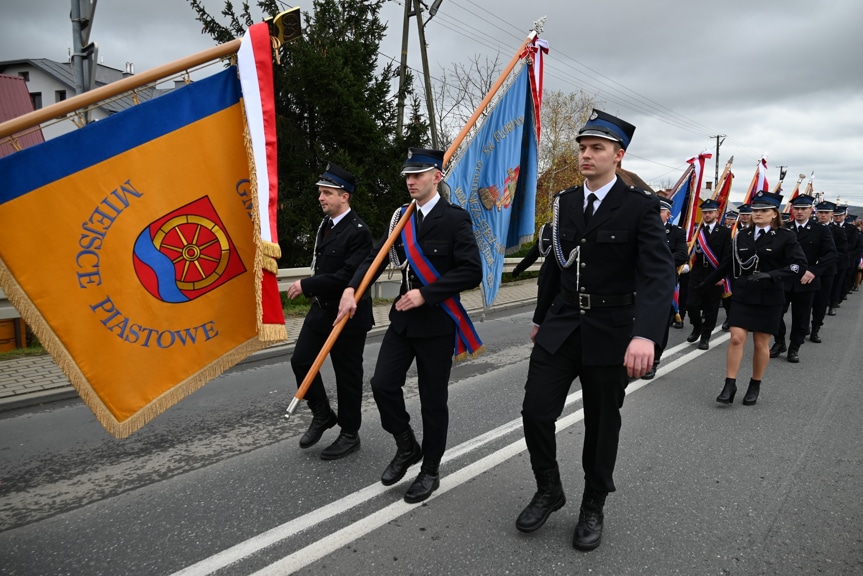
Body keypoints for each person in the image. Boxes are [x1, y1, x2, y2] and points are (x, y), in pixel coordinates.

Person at [515, 109, 674, 551]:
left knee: (602, 425)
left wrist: (646, 335)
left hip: (612, 329)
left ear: (618, 156)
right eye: (583, 148)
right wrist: (539, 316)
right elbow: (556, 263)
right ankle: (549, 488)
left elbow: (659, 277)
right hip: (562, 324)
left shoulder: (640, 207)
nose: (586, 155)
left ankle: (593, 503)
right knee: (535, 411)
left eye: (597, 148)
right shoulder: (565, 201)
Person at [335, 148, 482, 504]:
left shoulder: (454, 219)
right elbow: (375, 257)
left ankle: (430, 469)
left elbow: (471, 270)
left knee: (433, 401)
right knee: (382, 383)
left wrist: (426, 294)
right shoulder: (401, 217)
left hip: (437, 323)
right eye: (407, 176)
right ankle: (406, 444)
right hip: (403, 321)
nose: (411, 181)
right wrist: (353, 290)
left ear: (438, 176)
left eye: (418, 174)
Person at [288, 163, 374, 459]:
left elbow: (345, 276)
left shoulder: (359, 232)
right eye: (321, 193)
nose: (321, 198)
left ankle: (350, 434)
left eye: (327, 193)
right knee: (300, 361)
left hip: (348, 316)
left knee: (346, 376)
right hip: (321, 311)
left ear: (344, 196)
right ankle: (322, 413)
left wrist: (306, 283)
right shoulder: (326, 225)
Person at [711, 191, 807, 406]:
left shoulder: (786, 236)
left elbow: (798, 265)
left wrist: (772, 275)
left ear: (774, 214)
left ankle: (755, 383)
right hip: (744, 294)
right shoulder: (741, 236)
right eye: (755, 210)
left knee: (761, 342)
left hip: (770, 296)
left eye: (763, 210)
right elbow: (729, 263)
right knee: (736, 338)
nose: (758, 214)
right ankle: (729, 383)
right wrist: (707, 282)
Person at [770, 196, 836, 363]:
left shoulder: (820, 229)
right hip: (784, 279)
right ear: (792, 210)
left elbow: (830, 254)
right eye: (796, 208)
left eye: (803, 208)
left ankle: (794, 347)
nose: (799, 211)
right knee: (775, 314)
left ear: (810, 210)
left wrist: (814, 271)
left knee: (801, 317)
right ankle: (779, 342)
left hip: (806, 280)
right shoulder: (784, 228)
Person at [643, 198, 687, 379]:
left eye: (659, 210)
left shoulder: (676, 233)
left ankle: (653, 360)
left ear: (668, 214)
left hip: (663, 283)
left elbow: (682, 254)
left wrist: (657, 261)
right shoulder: (642, 230)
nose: (655, 213)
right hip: (641, 282)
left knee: (659, 323)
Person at [685, 199, 732, 350]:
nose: (706, 215)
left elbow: (727, 257)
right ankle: (697, 327)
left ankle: (705, 336)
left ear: (717, 214)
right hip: (697, 272)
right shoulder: (696, 231)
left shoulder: (725, 232)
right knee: (691, 305)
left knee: (711, 308)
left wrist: (722, 276)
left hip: (715, 273)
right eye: (704, 212)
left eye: (710, 212)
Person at [811, 200, 846, 335]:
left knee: (821, 301)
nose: (823, 215)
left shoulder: (837, 231)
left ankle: (816, 328)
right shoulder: (812, 227)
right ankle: (804, 325)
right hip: (810, 270)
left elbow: (842, 251)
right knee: (807, 301)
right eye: (820, 212)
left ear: (832, 214)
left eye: (826, 213)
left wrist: (825, 261)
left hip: (827, 271)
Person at [828, 206, 851, 314]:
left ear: (844, 216)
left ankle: (833, 304)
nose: (837, 217)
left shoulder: (851, 229)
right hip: (825, 262)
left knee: (837, 284)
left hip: (841, 262)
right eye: (836, 215)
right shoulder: (828, 228)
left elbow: (849, 246)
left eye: (840, 215)